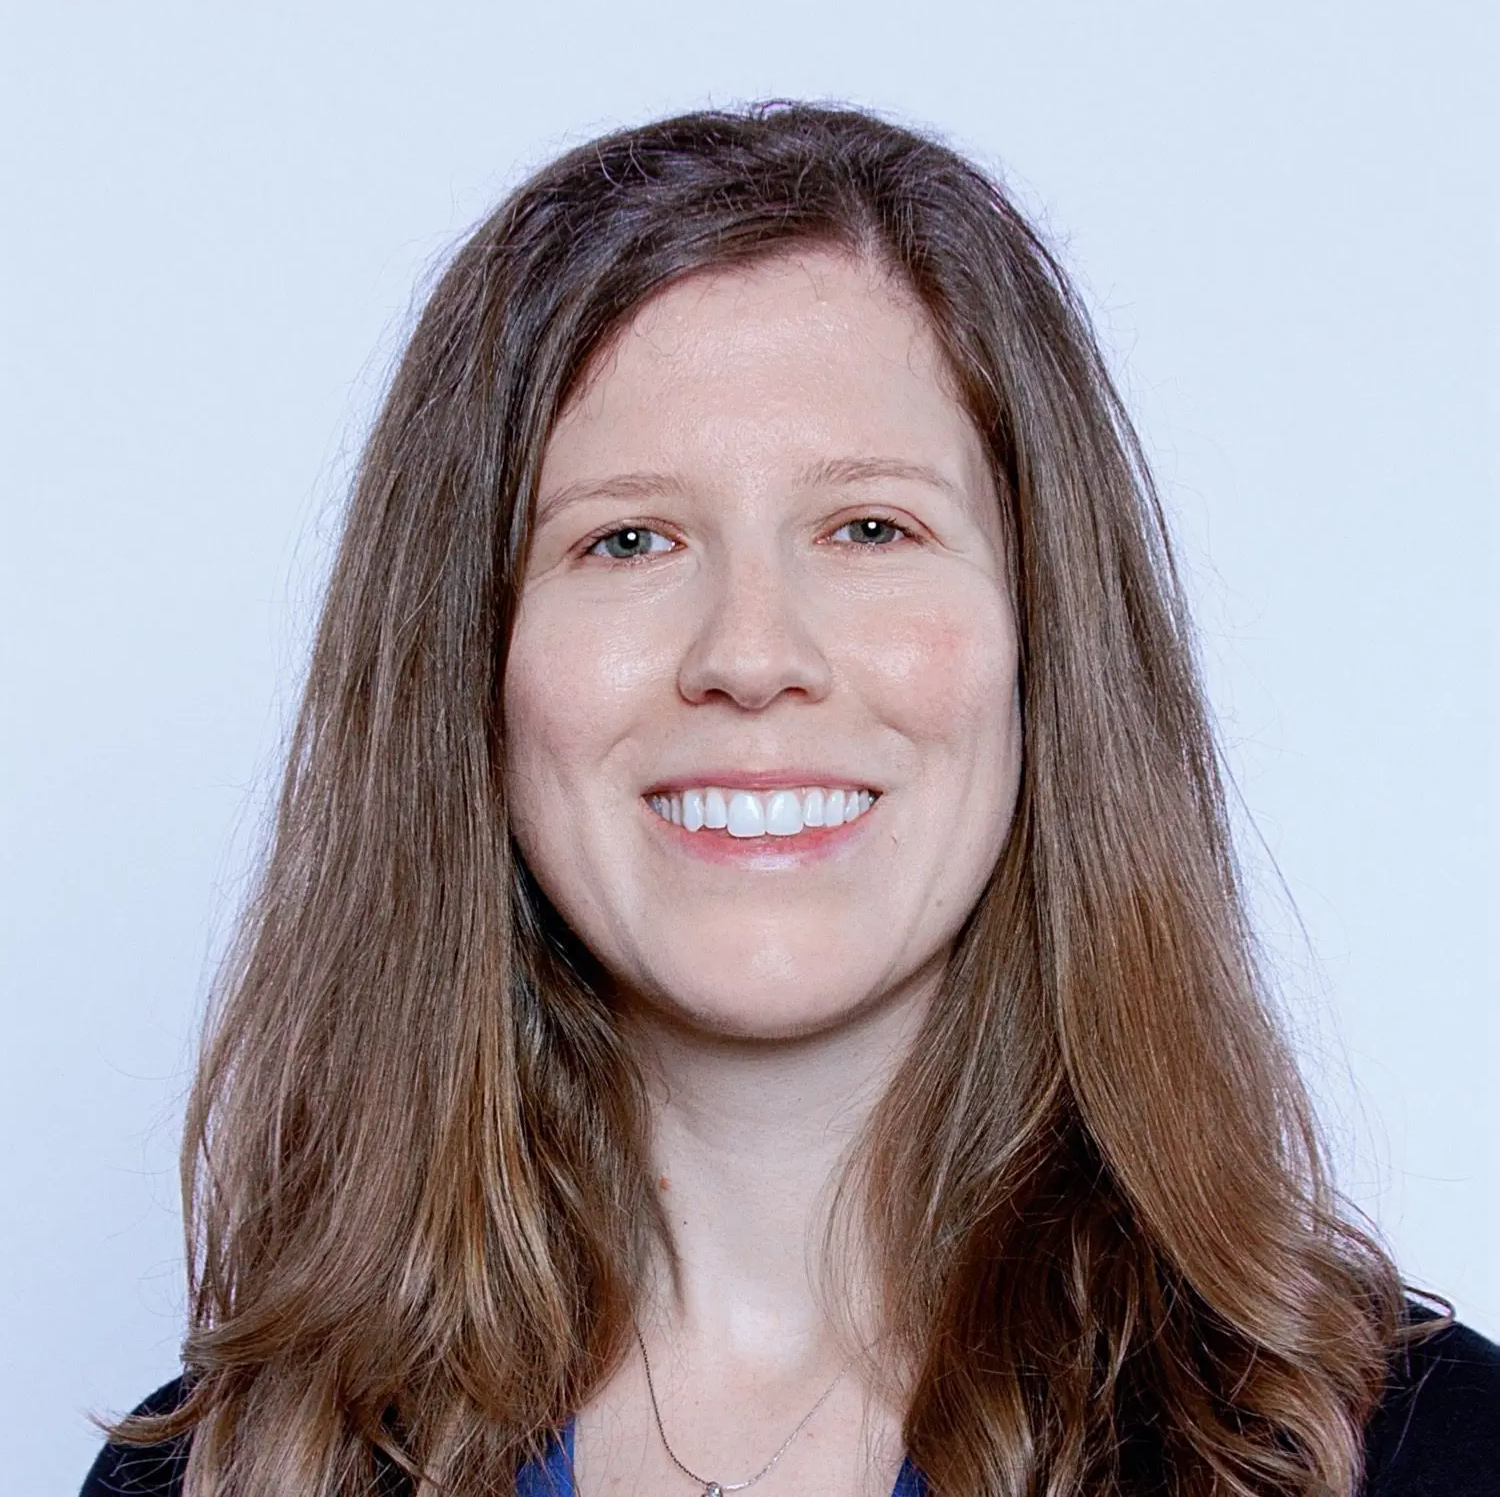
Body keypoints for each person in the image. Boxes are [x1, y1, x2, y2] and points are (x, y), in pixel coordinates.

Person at [81, 103, 1500, 1497]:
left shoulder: (1418, 1451)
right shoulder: (223, 1470)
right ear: (471, 666)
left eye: (870, 527)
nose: (752, 655)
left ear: (1043, 639)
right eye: (627, 538)